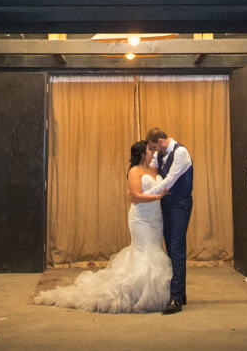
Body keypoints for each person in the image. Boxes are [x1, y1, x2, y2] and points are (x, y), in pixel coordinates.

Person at [34, 141, 172, 313]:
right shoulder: (134, 171)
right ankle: (137, 294)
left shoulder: (153, 170)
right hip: (141, 219)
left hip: (156, 218)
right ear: (142, 154)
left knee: (155, 249)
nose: (152, 153)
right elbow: (135, 196)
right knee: (144, 251)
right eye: (149, 150)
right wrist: (158, 196)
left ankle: (154, 293)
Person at [144, 127, 193, 315]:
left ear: (161, 141)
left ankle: (175, 299)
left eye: (154, 147)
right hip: (166, 205)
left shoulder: (181, 152)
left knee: (177, 246)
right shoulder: (161, 154)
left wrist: (143, 195)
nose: (154, 151)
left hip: (180, 204)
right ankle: (181, 294)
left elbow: (169, 180)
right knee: (171, 249)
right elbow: (154, 171)